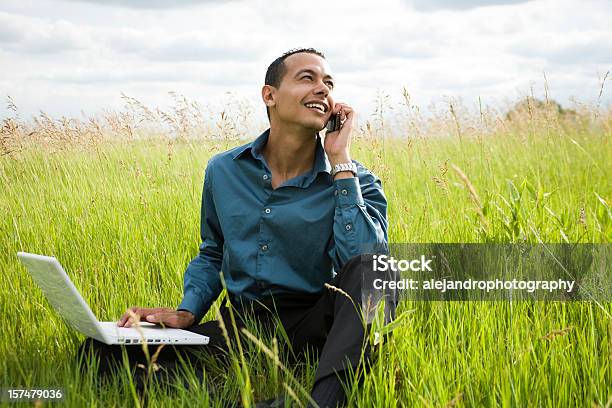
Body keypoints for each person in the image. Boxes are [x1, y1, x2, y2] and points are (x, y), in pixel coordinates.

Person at [79, 48, 390, 407]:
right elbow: (213, 251)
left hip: (318, 328)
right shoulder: (224, 170)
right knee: (100, 351)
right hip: (244, 330)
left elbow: (369, 268)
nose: (323, 89)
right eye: (308, 78)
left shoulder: (354, 179)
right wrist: (188, 310)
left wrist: (340, 162)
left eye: (329, 83)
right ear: (269, 95)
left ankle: (323, 402)